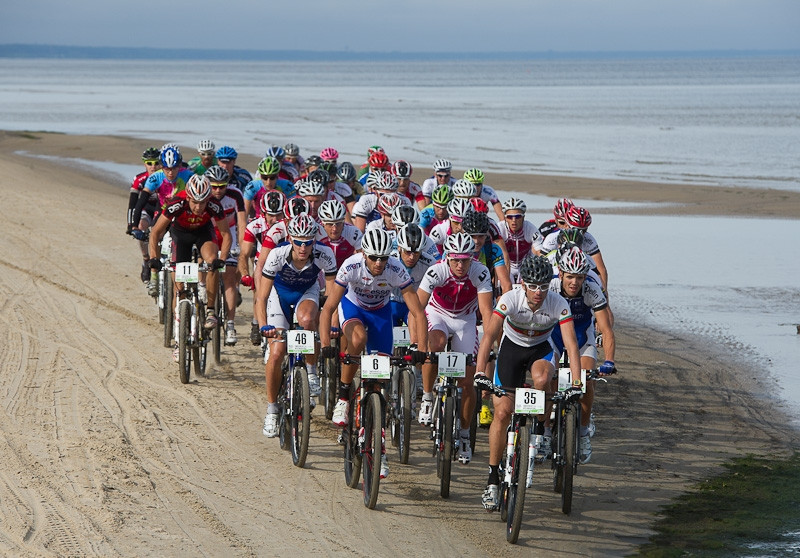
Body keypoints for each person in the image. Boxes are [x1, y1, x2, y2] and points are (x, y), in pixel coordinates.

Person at [474, 254, 581, 511]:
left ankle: (541, 430)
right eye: (533, 286)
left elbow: (571, 345)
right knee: (501, 413)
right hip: (511, 350)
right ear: (523, 285)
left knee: (543, 379)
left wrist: (577, 382)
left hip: (539, 350)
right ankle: (491, 478)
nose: (538, 292)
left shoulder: (558, 303)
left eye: (543, 287)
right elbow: (489, 336)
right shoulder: (510, 299)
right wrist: (480, 372)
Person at [319, 229, 429, 479]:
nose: (379, 263)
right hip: (354, 307)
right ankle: (344, 396)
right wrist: (326, 342)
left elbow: (418, 312)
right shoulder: (351, 266)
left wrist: (421, 348)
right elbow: (328, 309)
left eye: (382, 258)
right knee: (358, 339)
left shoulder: (396, 269)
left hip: (380, 312)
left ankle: (379, 449)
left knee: (378, 383)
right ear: (364, 254)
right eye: (373, 258)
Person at [256, 215, 337, 438]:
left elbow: (331, 297)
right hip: (278, 296)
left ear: (314, 241)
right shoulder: (277, 255)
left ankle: (311, 371)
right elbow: (261, 298)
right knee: (277, 352)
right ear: (290, 238)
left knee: (308, 321)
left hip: (306, 293)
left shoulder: (325, 254)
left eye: (308, 242)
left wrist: (330, 325)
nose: (303, 247)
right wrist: (264, 327)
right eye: (298, 241)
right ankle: (272, 409)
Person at [417, 233, 494, 465]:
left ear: (472, 258)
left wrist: (491, 343)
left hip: (465, 319)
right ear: (447, 257)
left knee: (467, 380)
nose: (460, 265)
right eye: (455, 260)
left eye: (465, 260)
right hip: (437, 314)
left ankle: (463, 436)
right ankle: (428, 397)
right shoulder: (436, 271)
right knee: (436, 345)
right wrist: (419, 344)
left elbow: (487, 312)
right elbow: (417, 308)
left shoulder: (480, 272)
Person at [146, 175, 232, 358]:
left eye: (203, 202)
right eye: (195, 202)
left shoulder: (214, 206)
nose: (199, 207)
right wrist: (153, 258)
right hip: (180, 235)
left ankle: (209, 310)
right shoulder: (176, 203)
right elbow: (155, 232)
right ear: (188, 198)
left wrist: (221, 259)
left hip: (203, 234)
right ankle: (179, 338)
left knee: (211, 262)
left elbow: (226, 234)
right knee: (180, 287)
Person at [549, 245, 616, 464]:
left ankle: (583, 432)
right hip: (555, 336)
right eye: (570, 277)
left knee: (587, 380)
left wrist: (609, 360)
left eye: (579, 277)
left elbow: (606, 329)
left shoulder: (591, 289)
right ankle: (546, 429)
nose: (574, 282)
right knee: (548, 378)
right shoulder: (550, 287)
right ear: (561, 274)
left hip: (581, 338)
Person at [205, 165, 247, 345]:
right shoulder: (202, 193)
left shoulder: (235, 194)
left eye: (221, 186)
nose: (217, 190)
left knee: (230, 278)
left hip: (229, 235)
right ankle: (202, 289)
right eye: (213, 186)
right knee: (205, 265)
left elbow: (242, 223)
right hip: (208, 234)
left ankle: (230, 325)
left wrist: (243, 248)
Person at [239, 190, 287, 345]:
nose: (274, 219)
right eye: (270, 215)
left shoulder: (288, 225)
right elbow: (244, 254)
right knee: (259, 292)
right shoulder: (254, 226)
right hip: (263, 261)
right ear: (263, 213)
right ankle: (256, 322)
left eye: (278, 215)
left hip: (284, 263)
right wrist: (245, 274)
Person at [126, 147, 162, 282]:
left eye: (156, 163)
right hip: (147, 209)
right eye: (149, 163)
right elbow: (133, 205)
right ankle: (146, 259)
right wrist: (131, 225)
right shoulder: (139, 179)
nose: (153, 166)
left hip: (162, 210)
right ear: (144, 163)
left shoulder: (164, 177)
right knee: (141, 226)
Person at [497, 197, 544, 284]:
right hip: (506, 264)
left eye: (518, 217)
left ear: (523, 217)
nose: (514, 221)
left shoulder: (530, 228)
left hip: (525, 265)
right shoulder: (500, 228)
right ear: (505, 218)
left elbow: (540, 252)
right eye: (510, 217)